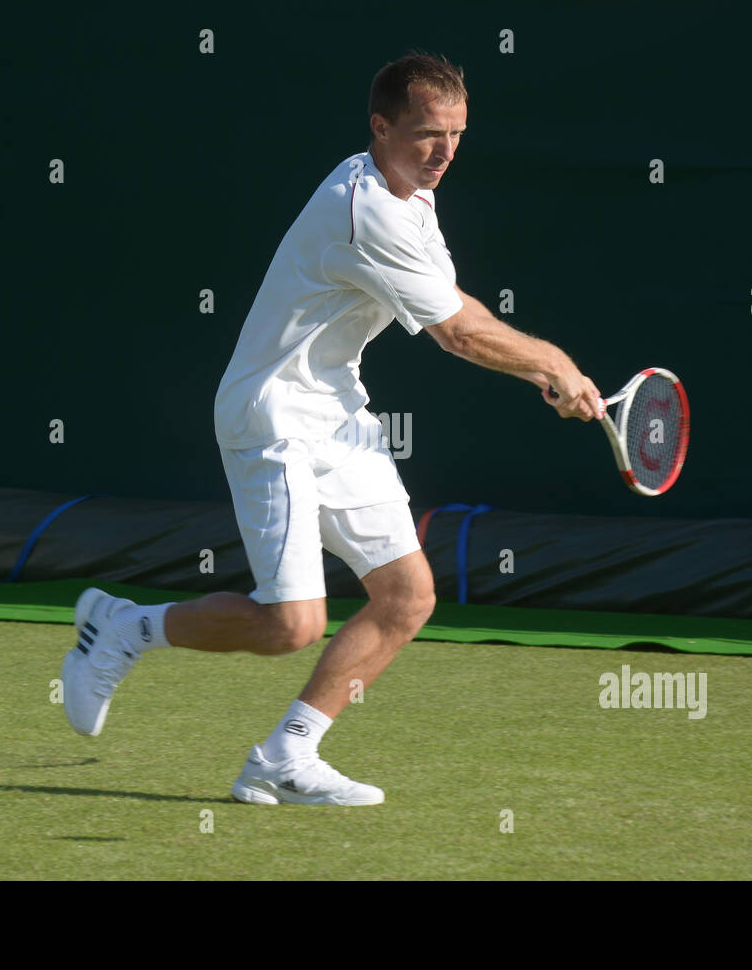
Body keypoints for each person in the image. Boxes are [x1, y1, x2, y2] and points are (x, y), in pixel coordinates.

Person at [61, 52, 602, 806]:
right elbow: (457, 334)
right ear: (381, 127)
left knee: (406, 598)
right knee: (289, 625)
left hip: (337, 415)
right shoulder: (364, 210)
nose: (444, 151)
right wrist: (554, 366)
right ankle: (125, 626)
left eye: (456, 134)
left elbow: (455, 302)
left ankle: (285, 755)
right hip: (272, 418)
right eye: (427, 134)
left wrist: (544, 371)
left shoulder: (413, 196)